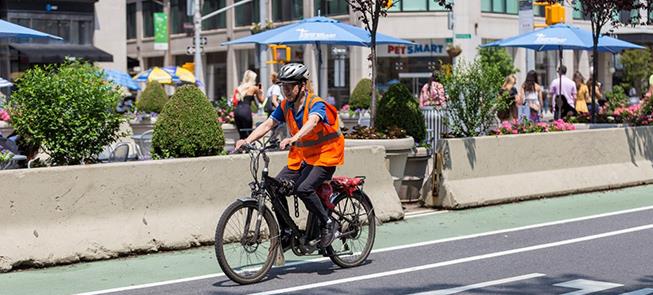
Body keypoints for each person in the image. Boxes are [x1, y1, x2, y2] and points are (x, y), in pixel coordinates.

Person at [234, 62, 344, 248]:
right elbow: (268, 124)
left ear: (302, 85)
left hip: (325, 156)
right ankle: (286, 232)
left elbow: (312, 121)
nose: (285, 90)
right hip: (303, 159)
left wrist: (295, 137)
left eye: (289, 85)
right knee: (275, 188)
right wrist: (247, 140)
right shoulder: (286, 106)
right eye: (283, 86)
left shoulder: (315, 103)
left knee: (304, 189)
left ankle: (328, 224)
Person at [233, 70, 264, 139]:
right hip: (245, 111)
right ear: (252, 79)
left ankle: (241, 149)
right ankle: (249, 148)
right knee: (249, 134)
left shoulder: (239, 88)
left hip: (237, 111)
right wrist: (261, 91)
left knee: (241, 135)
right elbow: (261, 100)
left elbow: (235, 101)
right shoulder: (253, 88)